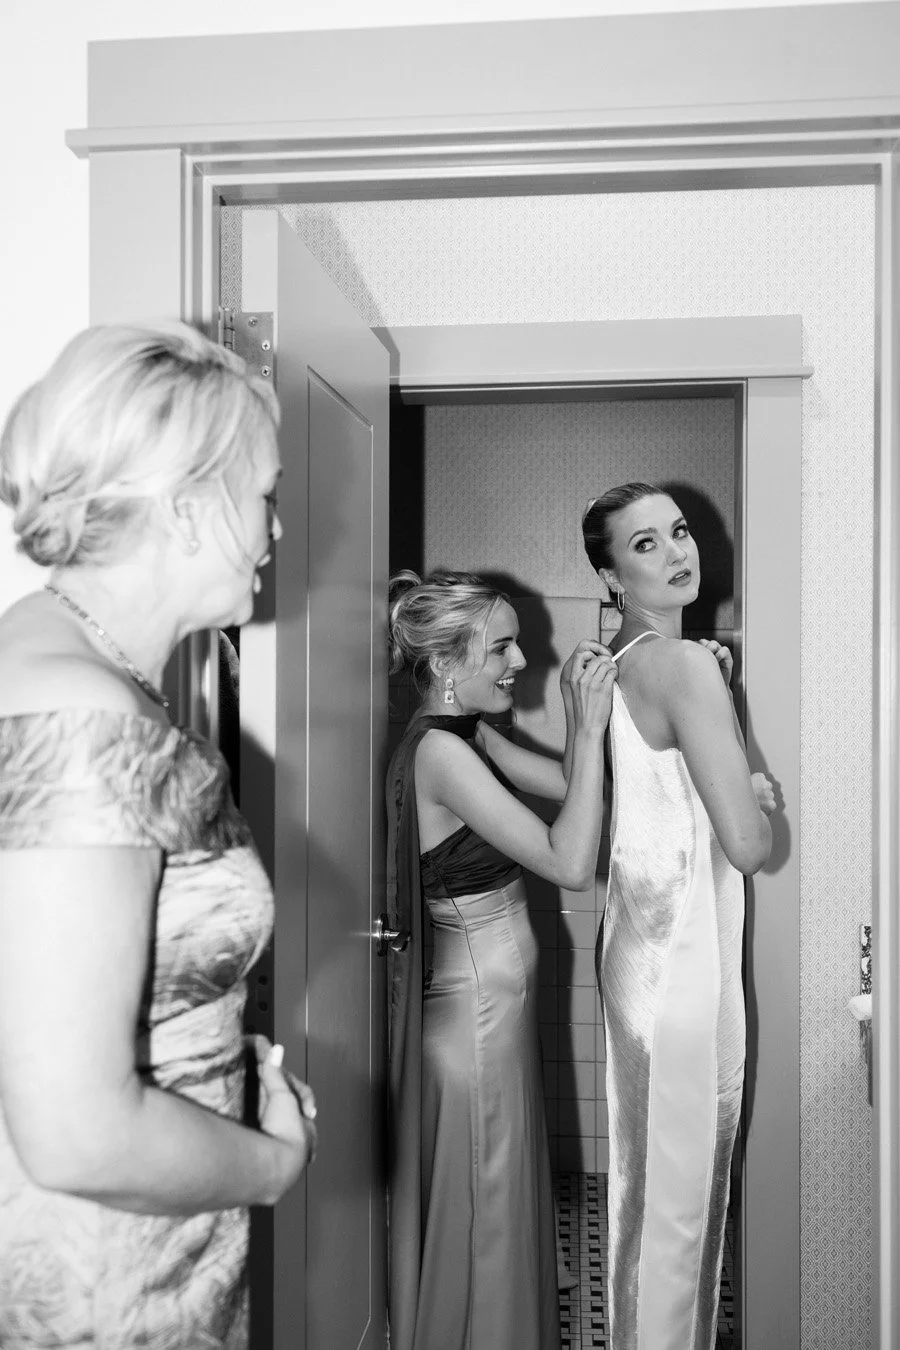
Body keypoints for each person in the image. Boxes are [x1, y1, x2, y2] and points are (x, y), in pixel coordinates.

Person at [0, 323, 317, 1349]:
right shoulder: (83, 720)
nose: (276, 532)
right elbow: (79, 1134)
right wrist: (273, 1161)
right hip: (107, 1290)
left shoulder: (56, 660)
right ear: (188, 509)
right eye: (265, 497)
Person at [386, 569, 617, 1350]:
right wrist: (583, 728)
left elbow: (576, 792)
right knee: (486, 1210)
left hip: (496, 1020)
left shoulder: (465, 735)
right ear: (448, 664)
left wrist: (625, 733)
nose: (521, 663)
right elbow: (570, 859)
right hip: (476, 1026)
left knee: (499, 1203)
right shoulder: (440, 756)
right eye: (504, 647)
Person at [581, 483, 777, 1350]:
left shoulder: (615, 664)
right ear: (611, 573)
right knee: (681, 1220)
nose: (676, 552)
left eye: (680, 532)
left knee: (642, 1202)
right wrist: (758, 798)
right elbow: (746, 844)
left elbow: (642, 801)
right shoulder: (687, 665)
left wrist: (732, 772)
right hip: (687, 976)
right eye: (646, 544)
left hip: (634, 959)